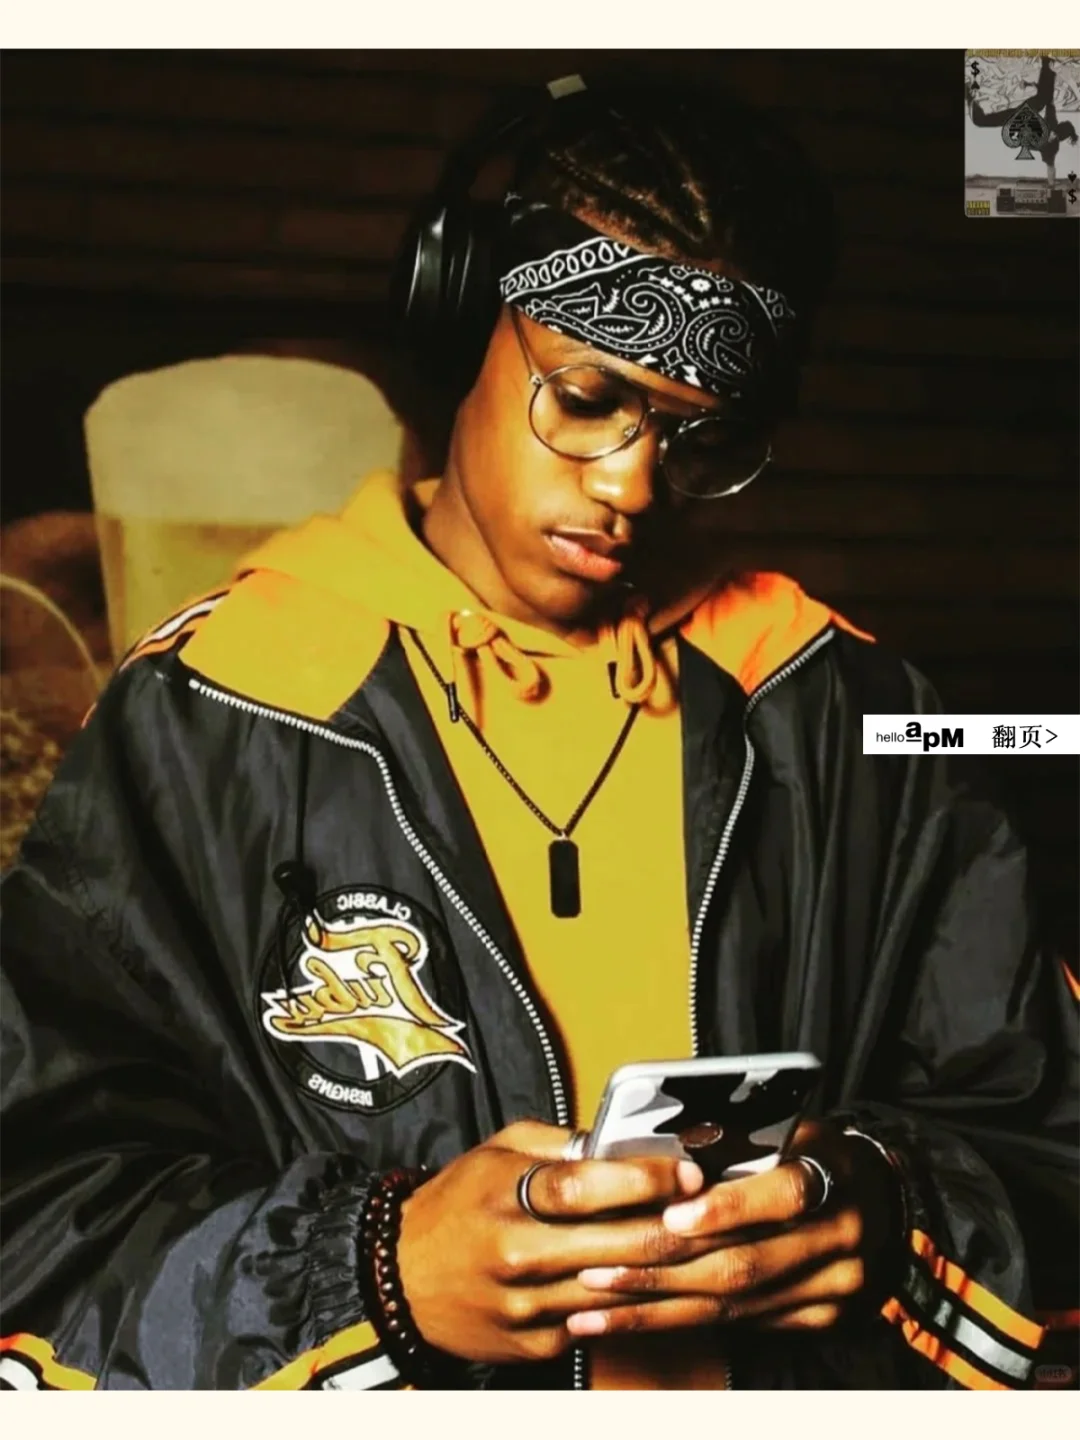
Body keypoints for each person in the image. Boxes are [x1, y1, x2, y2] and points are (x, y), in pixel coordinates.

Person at [1, 76, 1076, 1394]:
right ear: (463, 321)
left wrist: (884, 1208)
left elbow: (1045, 1137)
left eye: (697, 438)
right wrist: (379, 1273)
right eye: (586, 397)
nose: (632, 484)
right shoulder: (211, 711)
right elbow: (40, 1213)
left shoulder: (853, 713)